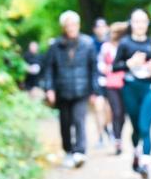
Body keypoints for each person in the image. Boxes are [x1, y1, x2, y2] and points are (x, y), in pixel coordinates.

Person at [41, 11, 102, 169]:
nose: (71, 28)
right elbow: (49, 69)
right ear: (63, 27)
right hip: (62, 90)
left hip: (82, 91)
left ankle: (80, 152)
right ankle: (68, 151)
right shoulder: (55, 45)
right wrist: (49, 89)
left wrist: (95, 91)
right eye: (68, 25)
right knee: (65, 123)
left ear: (78, 25)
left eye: (74, 24)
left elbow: (94, 69)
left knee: (79, 120)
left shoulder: (87, 43)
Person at [112, 9, 151, 179]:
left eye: (143, 21)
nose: (140, 25)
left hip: (150, 89)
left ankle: (145, 164)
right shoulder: (125, 43)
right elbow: (115, 67)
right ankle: (136, 153)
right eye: (136, 21)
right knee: (135, 127)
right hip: (131, 89)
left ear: (147, 23)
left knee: (144, 127)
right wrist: (129, 63)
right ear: (131, 23)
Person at [99, 22, 128, 155]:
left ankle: (118, 136)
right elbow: (100, 63)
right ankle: (117, 140)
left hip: (125, 82)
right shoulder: (106, 47)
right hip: (111, 83)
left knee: (123, 114)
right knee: (116, 111)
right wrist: (105, 69)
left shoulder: (125, 46)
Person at [90, 18, 113, 148]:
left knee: (109, 109)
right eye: (98, 26)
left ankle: (107, 127)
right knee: (98, 107)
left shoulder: (112, 42)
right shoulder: (90, 43)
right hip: (95, 80)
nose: (101, 29)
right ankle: (100, 137)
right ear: (94, 29)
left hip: (110, 79)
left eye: (103, 26)